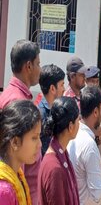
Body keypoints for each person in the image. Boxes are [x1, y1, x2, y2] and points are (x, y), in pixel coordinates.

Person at [0, 39, 41, 204]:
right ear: (29, 66)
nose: (40, 69)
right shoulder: (15, 101)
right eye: (38, 63)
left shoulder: (15, 95)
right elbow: (14, 155)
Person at [38, 97, 80, 205]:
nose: (79, 124)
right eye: (78, 120)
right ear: (71, 127)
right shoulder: (54, 167)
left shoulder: (61, 152)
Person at [0, 100, 41, 204]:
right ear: (15, 142)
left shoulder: (18, 174)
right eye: (34, 138)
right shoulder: (4, 190)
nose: (40, 144)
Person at [38, 64, 65, 156]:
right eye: (62, 85)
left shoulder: (54, 109)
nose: (64, 89)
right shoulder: (40, 114)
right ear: (53, 88)